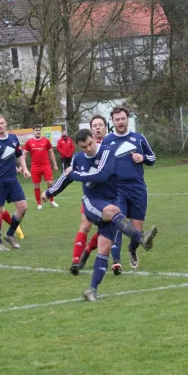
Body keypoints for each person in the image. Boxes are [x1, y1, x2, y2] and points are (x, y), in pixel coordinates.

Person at [43, 129, 158, 301]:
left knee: (104, 247)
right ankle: (141, 239)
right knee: (114, 211)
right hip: (91, 201)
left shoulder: (107, 152)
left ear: (94, 139)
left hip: (109, 200)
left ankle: (92, 290)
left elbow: (100, 176)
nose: (89, 148)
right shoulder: (78, 158)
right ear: (79, 147)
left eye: (90, 144)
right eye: (84, 147)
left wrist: (74, 174)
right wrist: (50, 191)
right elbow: (65, 178)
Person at [93, 105, 156, 273]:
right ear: (112, 123)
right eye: (117, 119)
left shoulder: (138, 138)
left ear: (127, 120)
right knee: (119, 224)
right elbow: (99, 164)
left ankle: (133, 249)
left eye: (123, 118)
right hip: (117, 189)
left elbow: (152, 158)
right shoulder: (107, 141)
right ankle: (116, 262)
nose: (120, 122)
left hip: (137, 188)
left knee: (136, 230)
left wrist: (142, 157)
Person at [0, 114, 31, 251]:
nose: (0, 126)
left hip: (13, 181)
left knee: (23, 207)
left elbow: (19, 155)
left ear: (6, 124)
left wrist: (25, 169)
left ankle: (10, 235)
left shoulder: (13, 138)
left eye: (2, 123)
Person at [70, 115, 106, 275]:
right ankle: (76, 261)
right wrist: (51, 191)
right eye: (95, 125)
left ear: (105, 126)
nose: (98, 128)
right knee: (85, 226)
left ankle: (89, 249)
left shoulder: (110, 146)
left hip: (110, 195)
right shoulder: (79, 157)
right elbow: (69, 174)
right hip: (90, 197)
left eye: (100, 125)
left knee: (106, 228)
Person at [23, 124, 59, 210]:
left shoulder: (46, 141)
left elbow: (51, 153)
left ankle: (52, 201)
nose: (38, 132)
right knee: (36, 186)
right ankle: (39, 204)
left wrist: (55, 164)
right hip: (35, 167)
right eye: (36, 130)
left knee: (50, 184)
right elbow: (24, 154)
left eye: (39, 130)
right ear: (33, 131)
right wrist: (23, 167)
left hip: (46, 165)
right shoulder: (29, 142)